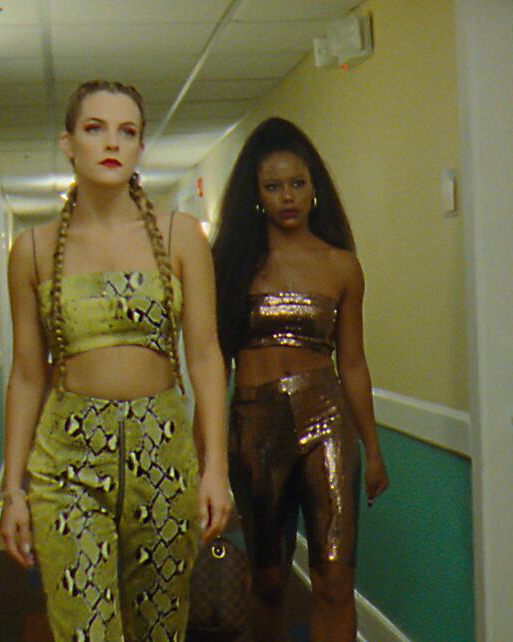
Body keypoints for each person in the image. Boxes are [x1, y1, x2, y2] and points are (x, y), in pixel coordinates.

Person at [0, 79, 232, 642]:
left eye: (128, 132)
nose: (112, 143)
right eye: (95, 128)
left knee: (160, 627)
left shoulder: (182, 236)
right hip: (69, 462)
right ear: (68, 142)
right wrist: (14, 489)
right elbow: (29, 373)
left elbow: (204, 356)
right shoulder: (31, 249)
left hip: (165, 453)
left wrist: (216, 468)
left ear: (140, 149)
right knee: (85, 631)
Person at [211, 117, 389, 642]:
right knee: (267, 578)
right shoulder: (230, 263)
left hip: (327, 420)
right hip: (253, 425)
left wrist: (373, 448)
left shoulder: (341, 267)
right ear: (256, 195)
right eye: (273, 186)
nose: (287, 196)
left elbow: (353, 363)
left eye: (297, 183)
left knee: (335, 579)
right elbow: (212, 362)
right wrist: (209, 460)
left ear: (315, 189)